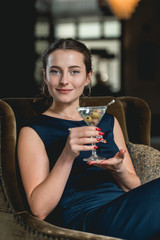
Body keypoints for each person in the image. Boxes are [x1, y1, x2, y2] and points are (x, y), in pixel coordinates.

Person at [17, 38, 160, 240]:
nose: (64, 80)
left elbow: (133, 188)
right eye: (55, 71)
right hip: (84, 219)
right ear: (45, 76)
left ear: (87, 77)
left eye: (74, 71)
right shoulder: (33, 130)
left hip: (125, 211)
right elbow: (39, 210)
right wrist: (67, 155)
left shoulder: (108, 121)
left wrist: (119, 171)